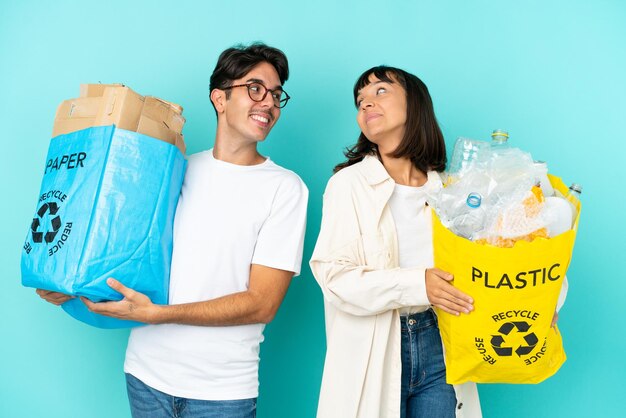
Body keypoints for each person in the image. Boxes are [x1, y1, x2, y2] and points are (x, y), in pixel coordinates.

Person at [37, 42, 308, 418]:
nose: (269, 103)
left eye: (277, 95)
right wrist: (65, 282)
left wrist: (158, 314)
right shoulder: (175, 168)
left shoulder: (285, 188)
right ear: (220, 98)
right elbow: (123, 248)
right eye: (255, 88)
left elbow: (263, 302)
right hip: (146, 377)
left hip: (221, 393)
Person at [309, 66, 481, 418]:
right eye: (360, 100)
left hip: (441, 344)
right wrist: (419, 284)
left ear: (415, 104)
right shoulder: (349, 185)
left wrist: (544, 301)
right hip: (376, 345)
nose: (366, 104)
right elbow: (334, 279)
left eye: (380, 91)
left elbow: (490, 258)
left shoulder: (449, 191)